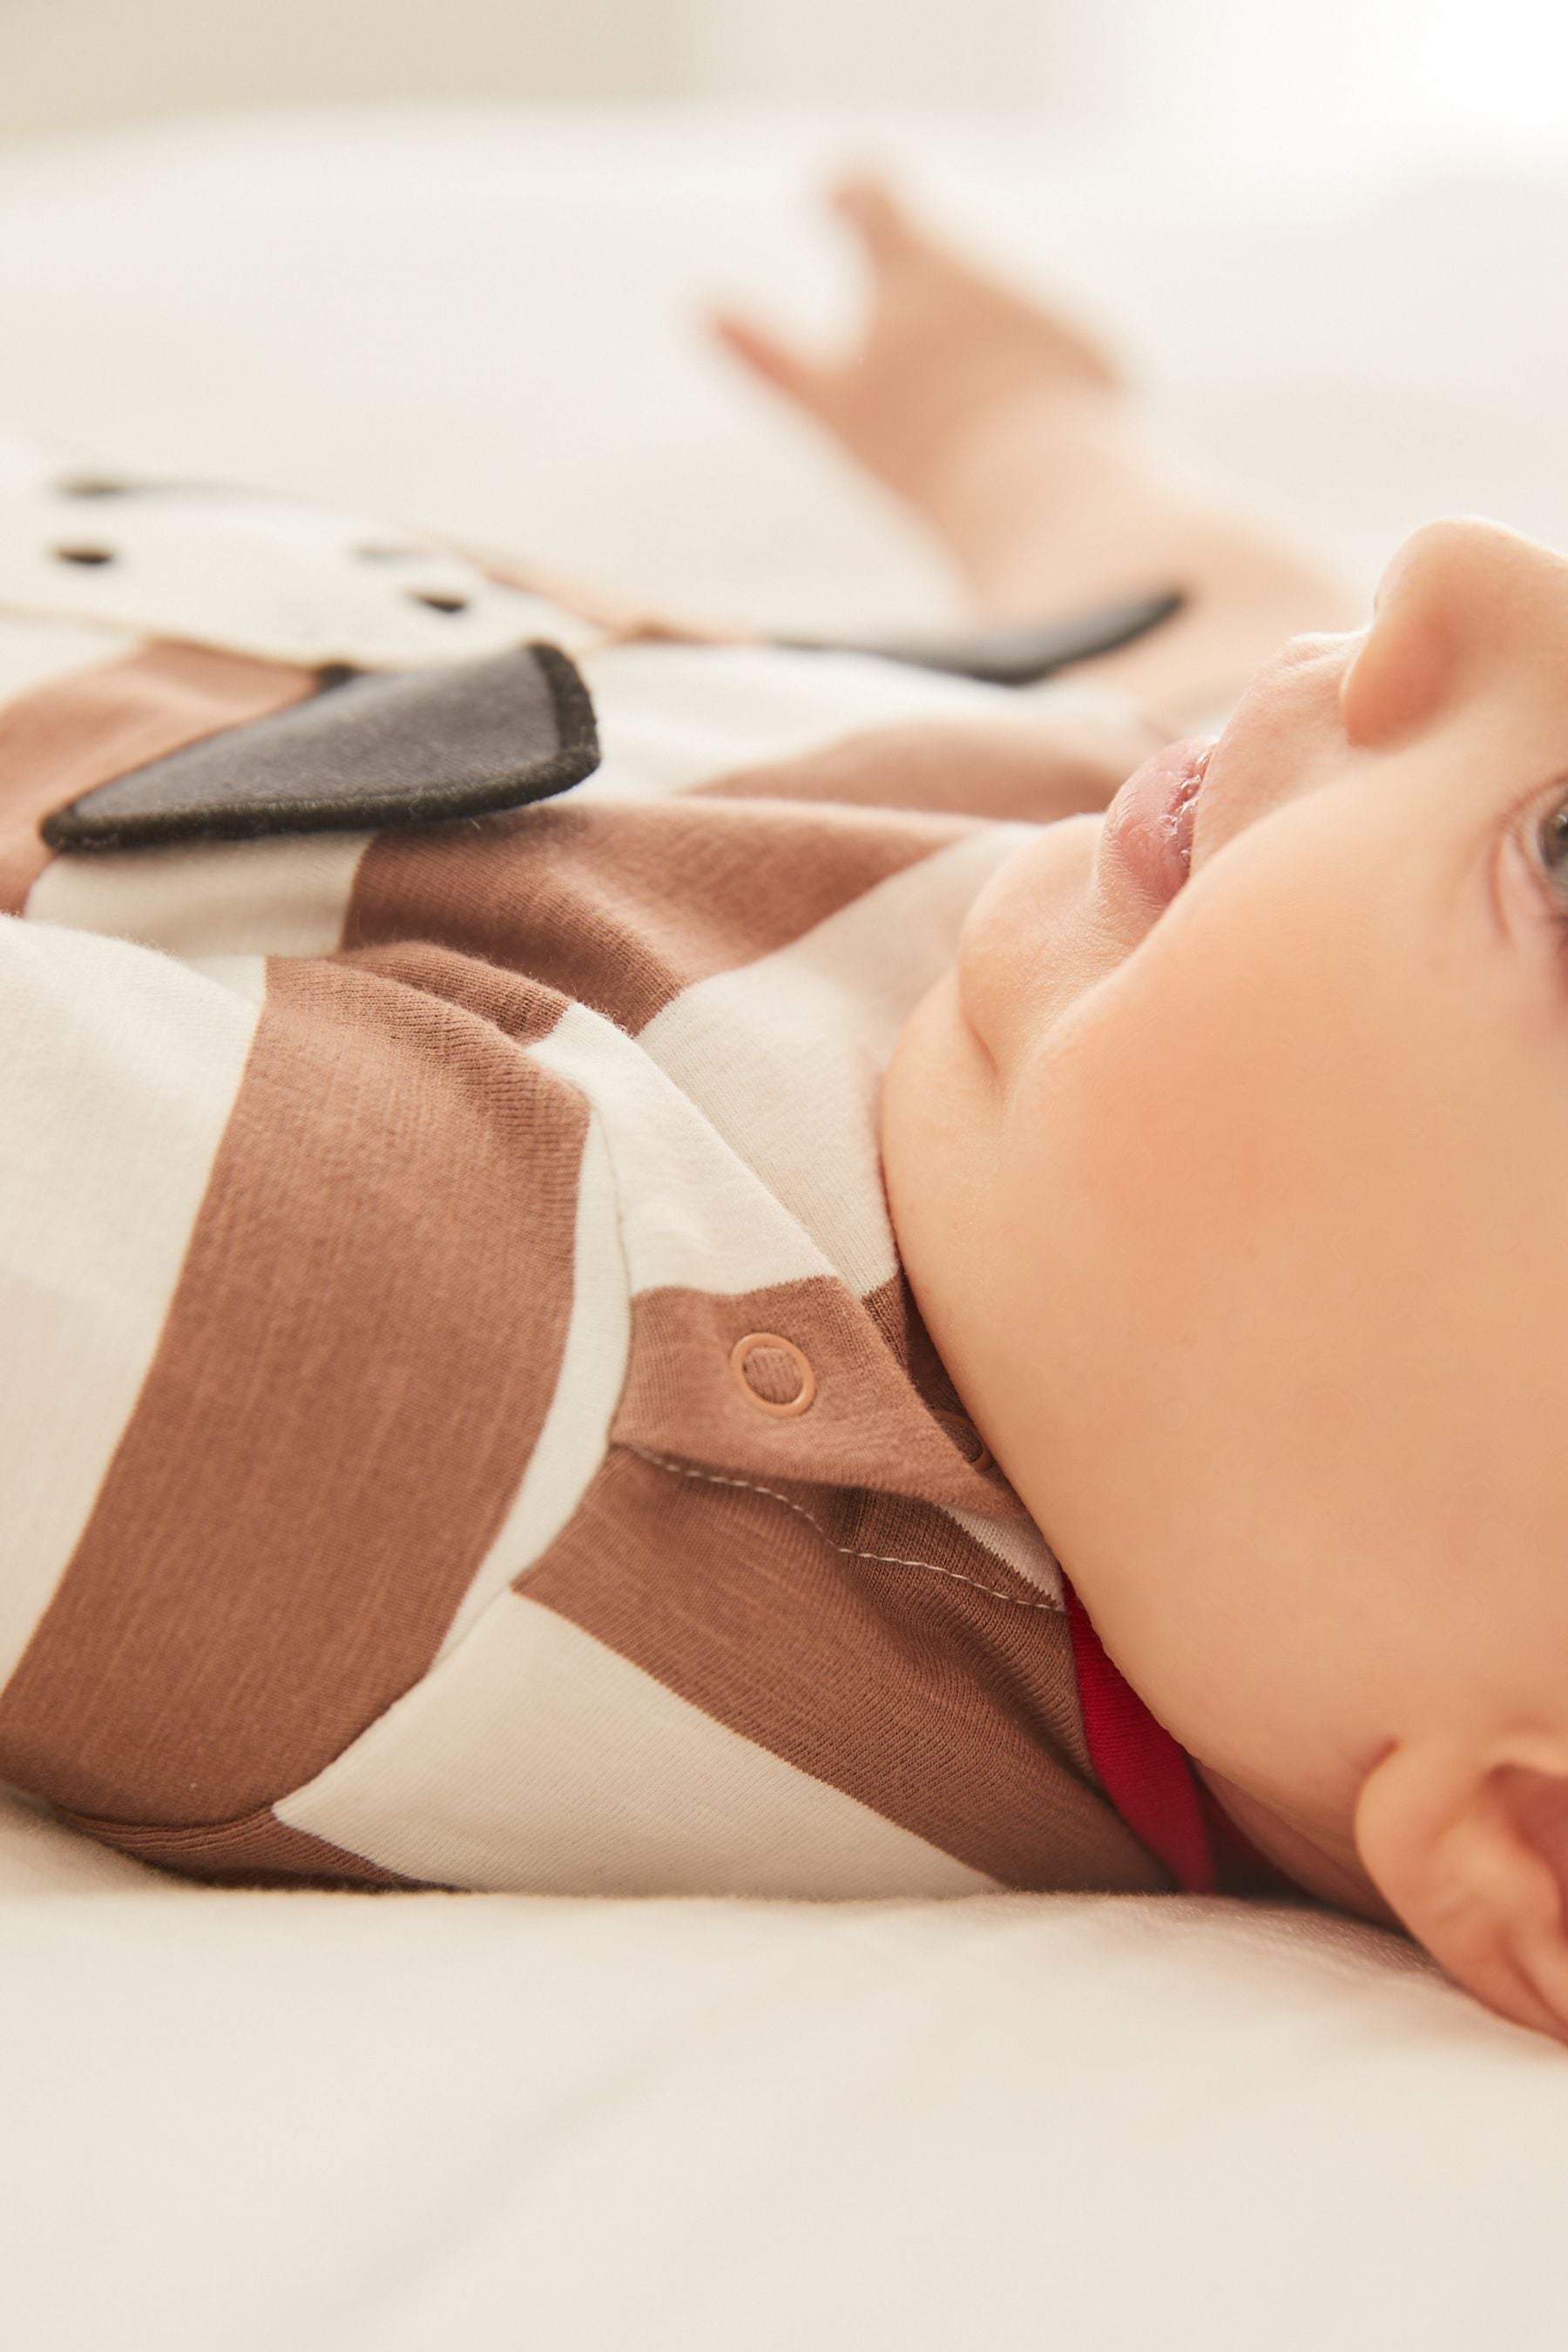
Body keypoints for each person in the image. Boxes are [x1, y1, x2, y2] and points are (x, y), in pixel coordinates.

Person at [3, 179, 1566, 2047]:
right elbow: (1201, 600)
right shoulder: (1153, 978)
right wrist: (1004, 419)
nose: (1462, 575)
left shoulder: (493, 1396)